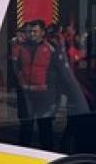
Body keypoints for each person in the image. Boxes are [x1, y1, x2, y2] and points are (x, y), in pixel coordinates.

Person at [12, 19, 62, 150]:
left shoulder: (51, 48)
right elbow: (15, 68)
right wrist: (20, 83)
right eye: (29, 32)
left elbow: (58, 72)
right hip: (26, 93)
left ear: (42, 32)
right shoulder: (20, 47)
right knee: (25, 128)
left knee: (45, 128)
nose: (31, 34)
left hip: (44, 94)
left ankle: (48, 157)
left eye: (35, 31)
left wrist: (55, 96)